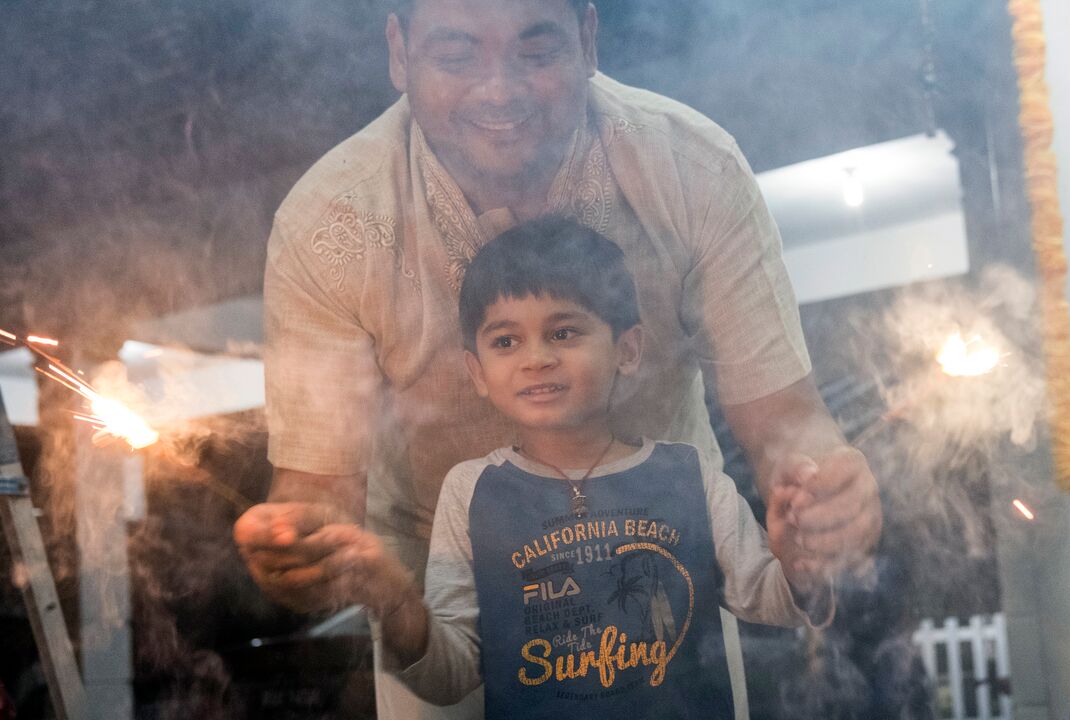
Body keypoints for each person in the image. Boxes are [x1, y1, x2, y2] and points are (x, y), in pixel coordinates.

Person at [233, 0, 881, 717]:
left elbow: (788, 425)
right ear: (398, 52)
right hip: (434, 580)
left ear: (588, 39)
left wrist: (825, 502)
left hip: (667, 555)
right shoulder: (331, 220)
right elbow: (317, 492)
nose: (499, 89)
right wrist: (305, 545)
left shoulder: (692, 169)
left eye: (535, 52)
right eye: (457, 57)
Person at [305, 216, 834, 718]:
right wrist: (394, 601)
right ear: (477, 371)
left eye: (563, 332)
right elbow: (454, 672)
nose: (536, 358)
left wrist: (797, 560)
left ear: (627, 348)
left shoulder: (688, 474)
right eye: (506, 341)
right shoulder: (471, 492)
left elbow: (772, 599)